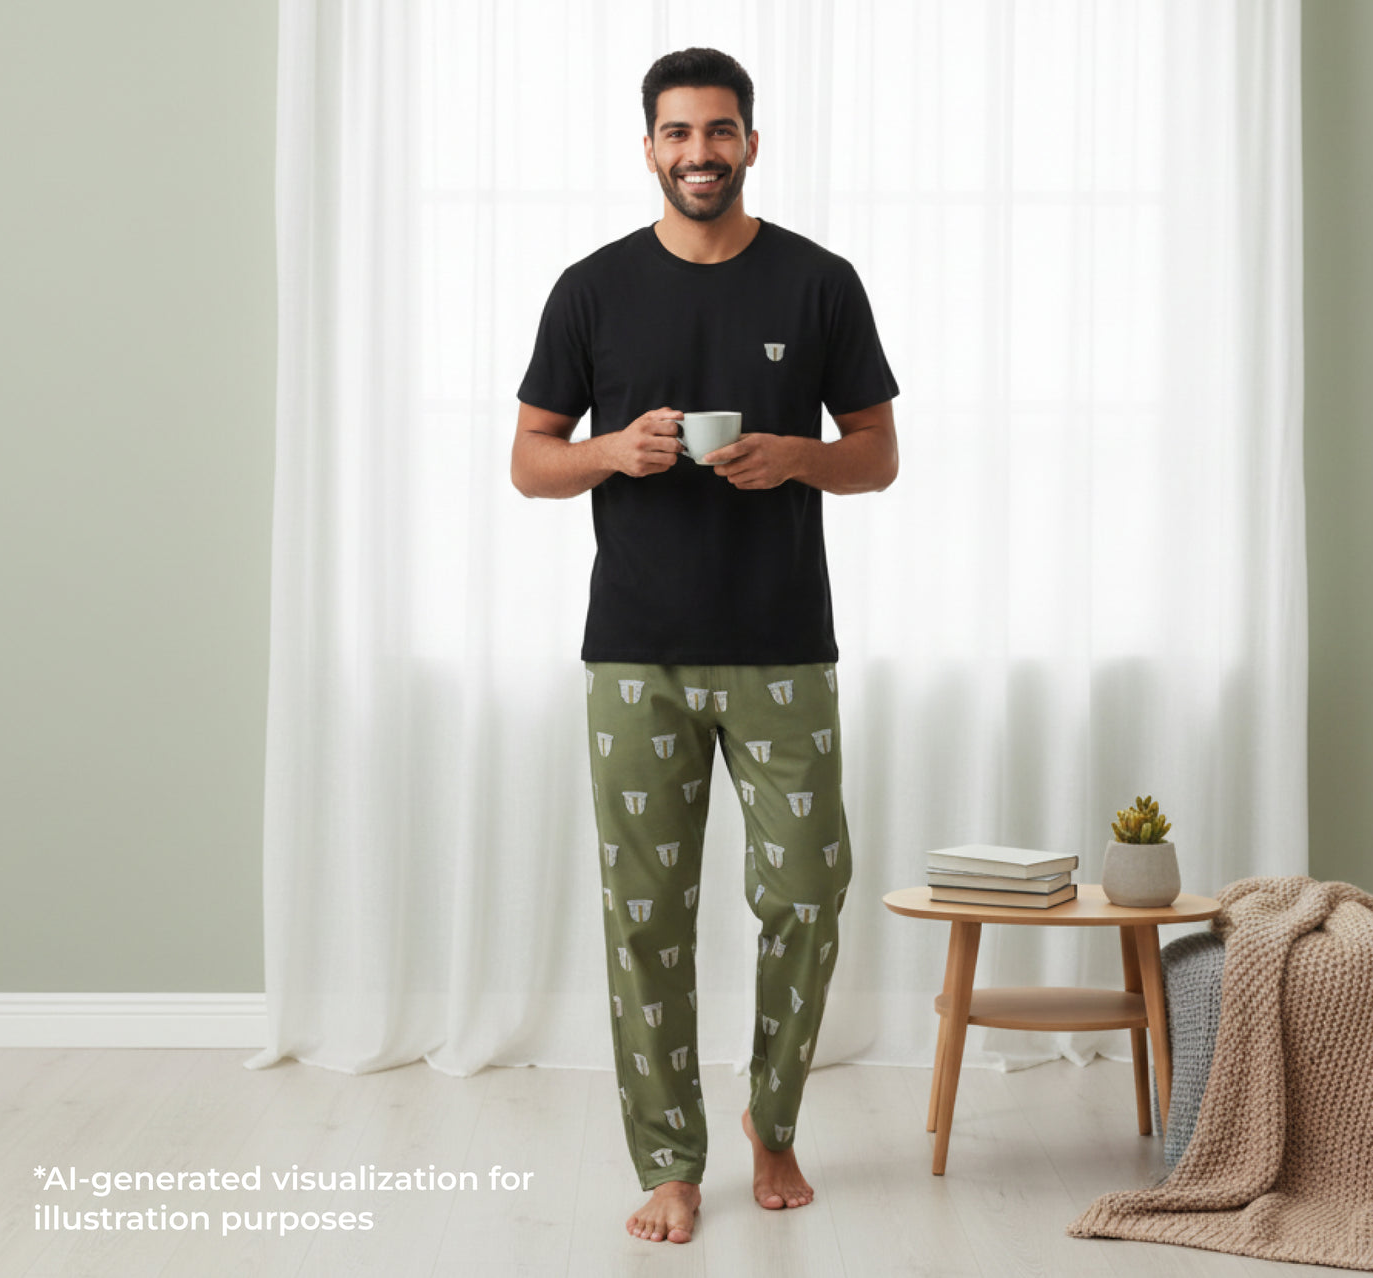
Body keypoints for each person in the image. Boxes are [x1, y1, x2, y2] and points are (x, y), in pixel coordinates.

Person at [512, 47, 899, 1245]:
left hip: (784, 644)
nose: (698, 153)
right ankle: (670, 1160)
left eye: (719, 132)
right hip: (635, 654)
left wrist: (798, 458)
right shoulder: (589, 289)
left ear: (749, 142)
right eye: (677, 134)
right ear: (647, 149)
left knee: (806, 894)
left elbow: (876, 454)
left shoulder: (818, 283)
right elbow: (530, 460)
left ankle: (770, 1122)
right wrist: (608, 453)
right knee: (645, 916)